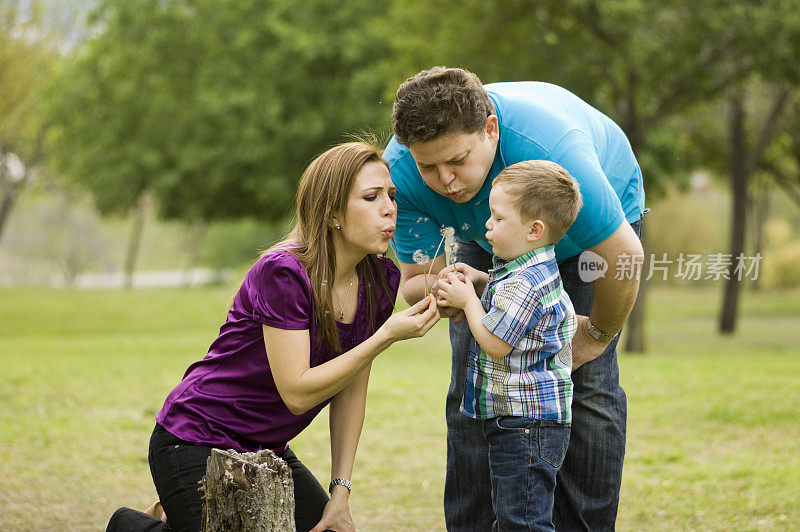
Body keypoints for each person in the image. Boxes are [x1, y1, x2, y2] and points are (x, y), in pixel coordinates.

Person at [106, 141, 441, 532]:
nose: (389, 208)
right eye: (371, 197)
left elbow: (351, 390)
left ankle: (174, 516)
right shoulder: (283, 272)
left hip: (266, 450)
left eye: (391, 195)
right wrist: (385, 337)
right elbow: (296, 392)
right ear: (332, 212)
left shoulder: (380, 281)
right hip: (195, 436)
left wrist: (341, 493)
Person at [384, 67, 645, 530]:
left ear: (490, 130)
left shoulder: (553, 150)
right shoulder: (402, 173)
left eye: (458, 161)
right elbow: (414, 280)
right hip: (487, 236)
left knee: (586, 390)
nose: (445, 181)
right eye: (429, 166)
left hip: (588, 237)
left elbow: (624, 256)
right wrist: (464, 287)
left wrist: (597, 336)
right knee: (475, 388)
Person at [436, 160, 582, 531]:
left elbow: (496, 344)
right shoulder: (528, 271)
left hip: (524, 426)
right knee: (514, 515)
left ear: (534, 229)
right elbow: (508, 304)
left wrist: (468, 300)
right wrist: (482, 281)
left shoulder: (525, 283)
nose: (487, 225)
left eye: (498, 219)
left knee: (522, 521)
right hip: (523, 422)